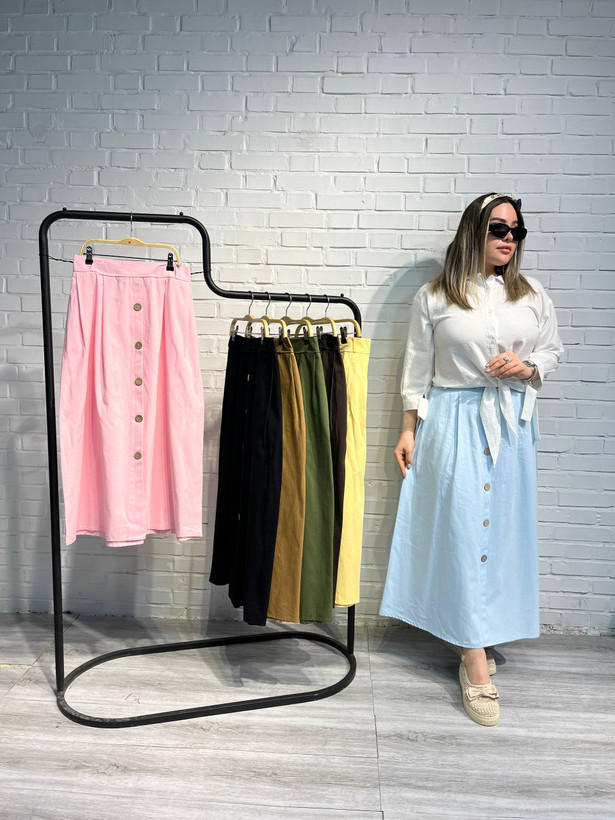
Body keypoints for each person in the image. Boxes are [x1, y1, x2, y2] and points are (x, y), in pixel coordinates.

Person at [379, 193, 564, 726]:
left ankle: (474, 631)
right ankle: (473, 657)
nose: (510, 238)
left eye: (516, 230)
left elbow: (552, 350)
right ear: (473, 231)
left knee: (499, 532)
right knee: (461, 531)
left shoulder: (531, 294)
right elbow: (417, 368)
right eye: (498, 228)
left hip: (512, 426)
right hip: (453, 422)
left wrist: (528, 367)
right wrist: (408, 429)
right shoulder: (435, 296)